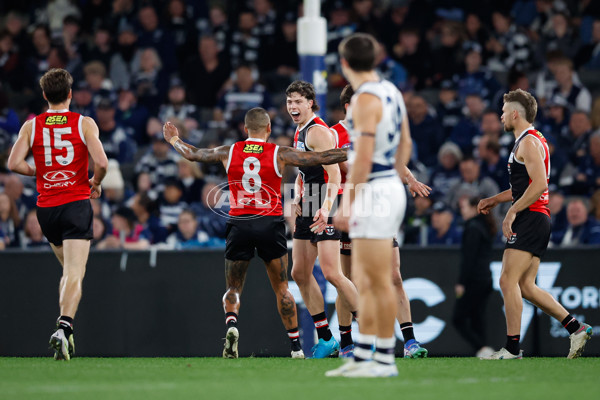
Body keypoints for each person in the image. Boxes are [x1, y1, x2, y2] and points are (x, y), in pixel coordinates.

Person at [162, 107, 348, 359]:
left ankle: (232, 325)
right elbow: (316, 159)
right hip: (270, 224)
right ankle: (295, 348)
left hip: (239, 223)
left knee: (233, 287)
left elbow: (194, 154)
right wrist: (349, 151)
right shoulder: (279, 152)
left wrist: (174, 139)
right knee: (282, 288)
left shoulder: (229, 150)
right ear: (269, 129)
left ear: (245, 129)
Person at [478, 89, 593, 359]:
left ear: (515, 113)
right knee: (527, 286)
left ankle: (512, 348)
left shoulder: (528, 143)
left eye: (504, 111)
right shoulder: (531, 140)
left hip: (530, 217)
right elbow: (525, 186)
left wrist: (511, 212)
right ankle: (576, 328)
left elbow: (540, 184)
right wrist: (496, 199)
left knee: (508, 280)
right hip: (537, 217)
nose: (501, 115)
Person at [7, 68, 108, 361]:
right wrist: (96, 183)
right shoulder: (83, 123)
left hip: (46, 208)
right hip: (75, 204)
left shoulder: (32, 126)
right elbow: (101, 162)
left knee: (67, 272)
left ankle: (66, 332)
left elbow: (14, 163)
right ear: (70, 94)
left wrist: (38, 170)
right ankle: (63, 329)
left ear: (44, 95)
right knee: (75, 273)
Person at [327, 33, 413, 378]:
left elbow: (361, 157)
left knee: (374, 279)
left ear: (344, 63)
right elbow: (405, 143)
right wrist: (392, 179)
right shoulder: (392, 91)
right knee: (369, 278)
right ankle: (365, 357)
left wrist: (348, 202)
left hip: (373, 190)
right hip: (387, 186)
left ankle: (384, 361)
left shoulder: (363, 99)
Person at [331, 84, 430, 359]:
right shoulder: (334, 134)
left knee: (394, 275)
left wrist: (410, 179)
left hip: (380, 206)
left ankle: (410, 342)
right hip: (352, 207)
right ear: (350, 106)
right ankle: (347, 344)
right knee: (347, 279)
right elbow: (337, 168)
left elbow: (390, 159)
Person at [286, 80, 358, 359]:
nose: (293, 106)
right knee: (300, 272)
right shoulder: (301, 129)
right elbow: (307, 172)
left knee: (332, 273)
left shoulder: (317, 132)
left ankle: (370, 332)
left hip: (324, 201)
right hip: (309, 201)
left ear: (310, 103)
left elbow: (336, 176)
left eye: (298, 102)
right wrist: (300, 199)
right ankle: (327, 339)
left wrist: (325, 208)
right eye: (290, 101)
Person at [454, 195, 495, 358]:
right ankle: (482, 349)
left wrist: (461, 282)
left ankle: (482, 347)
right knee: (477, 317)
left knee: (458, 318)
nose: (461, 211)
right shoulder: (484, 226)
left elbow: (469, 258)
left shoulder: (473, 228)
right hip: (485, 279)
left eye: (464, 207)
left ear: (473, 208)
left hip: (474, 281)